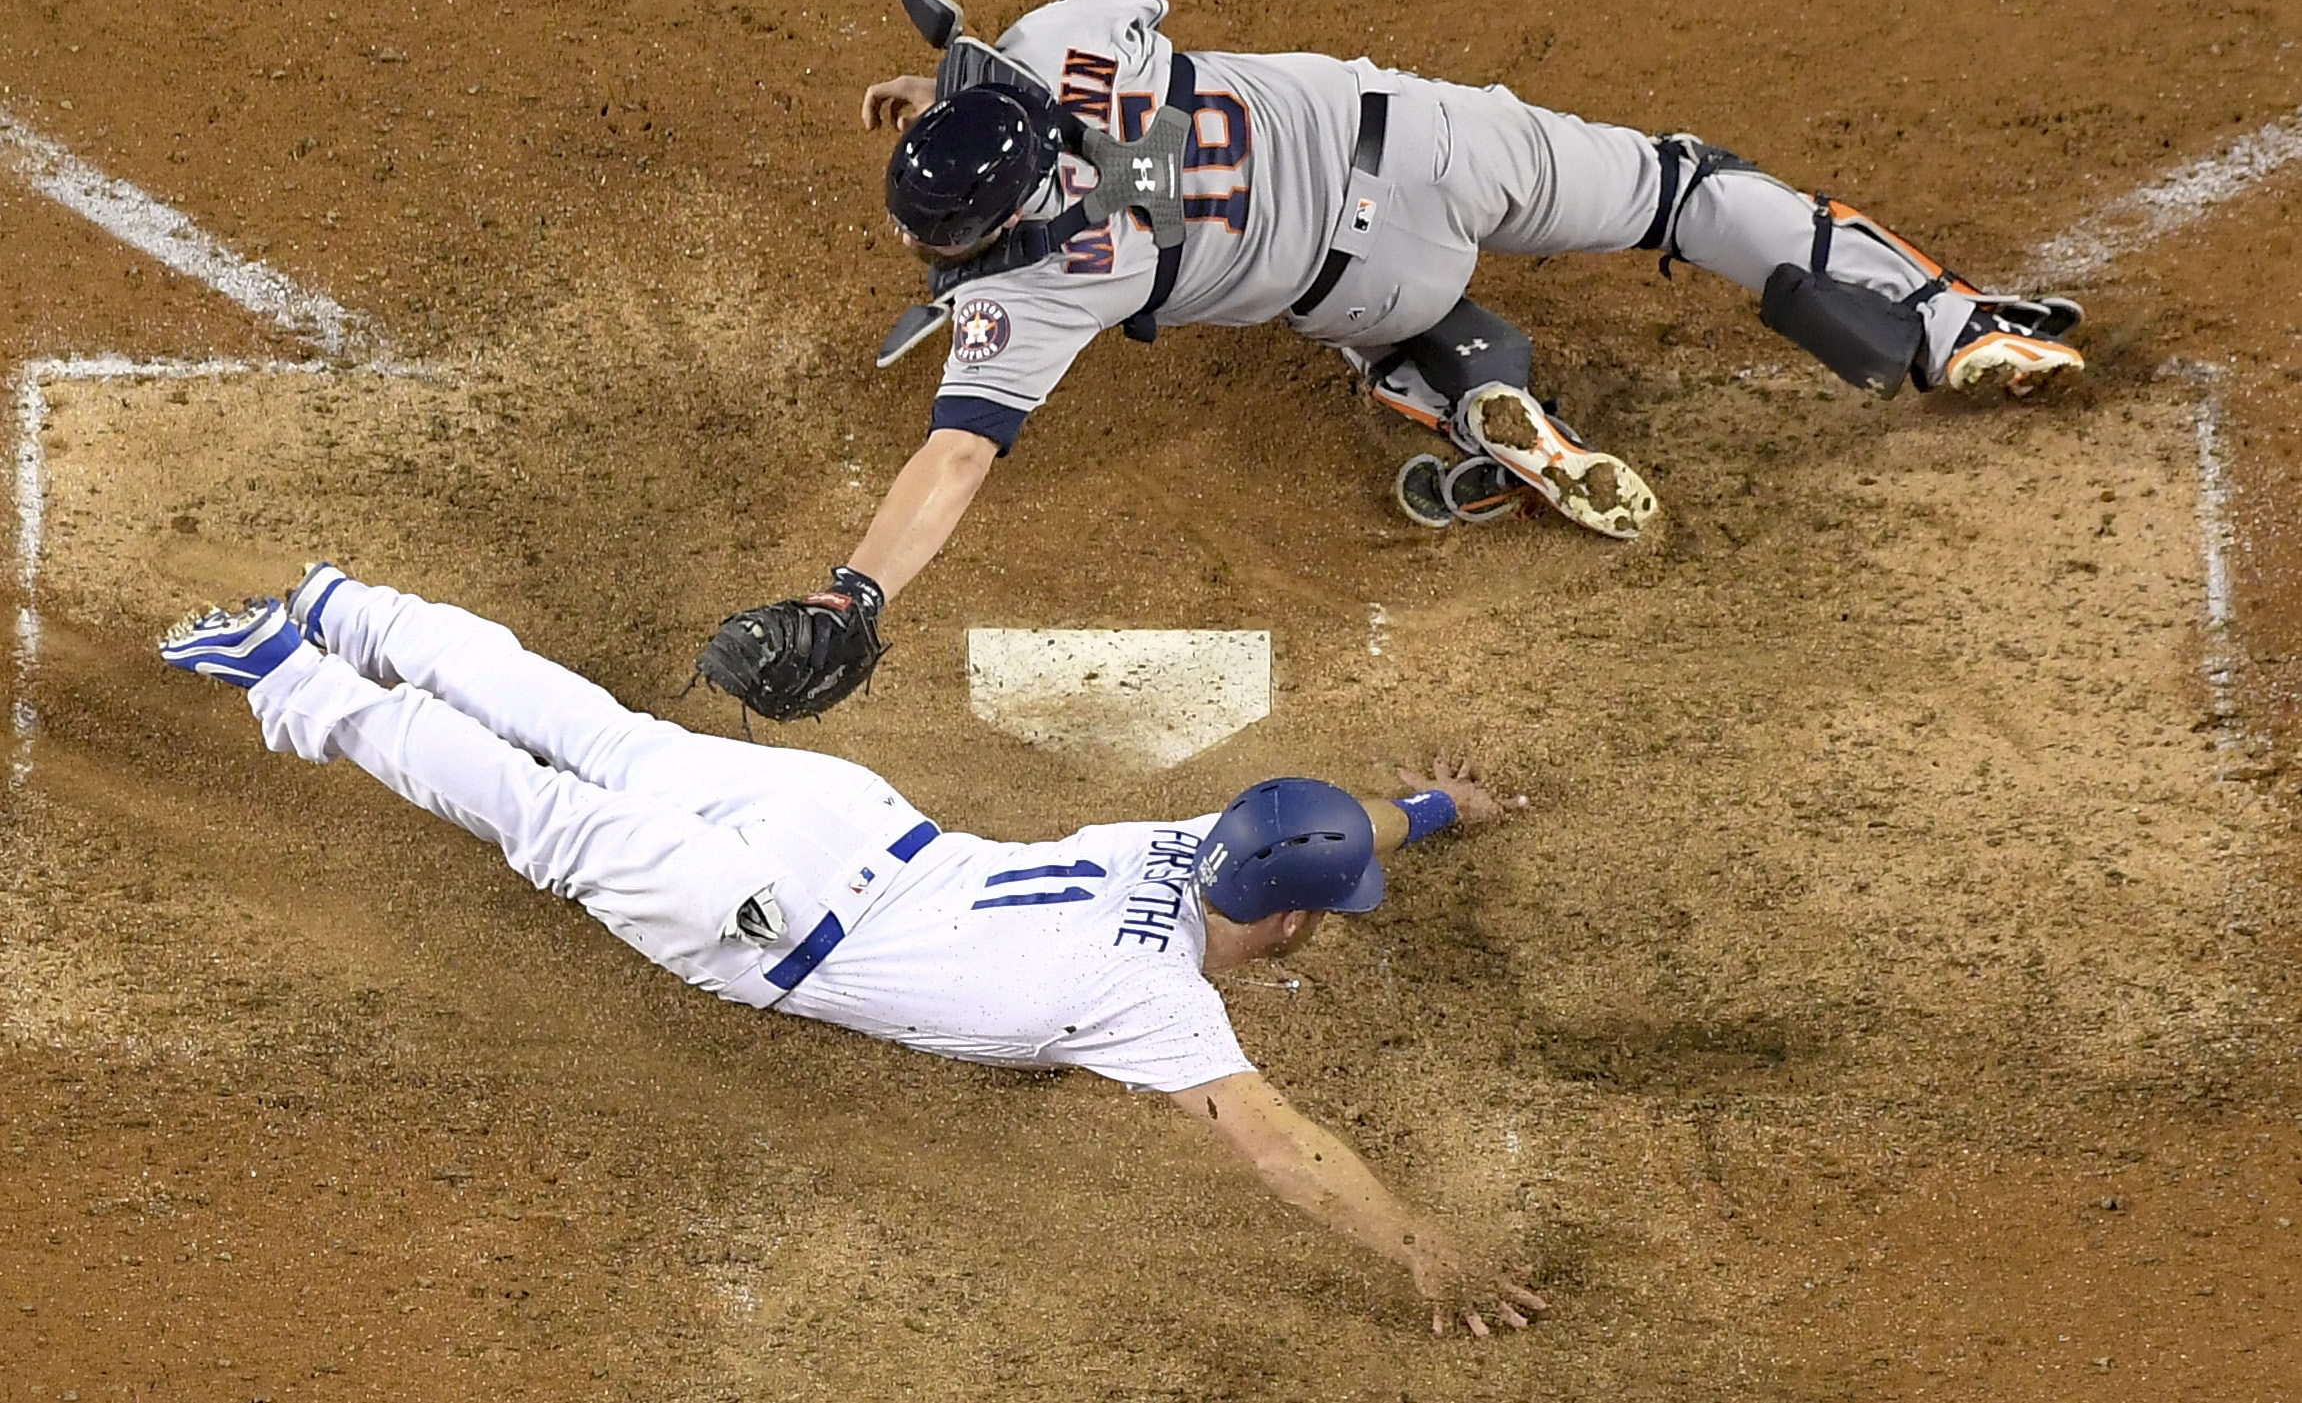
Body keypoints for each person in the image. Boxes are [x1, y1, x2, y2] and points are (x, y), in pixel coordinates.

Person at [160, 571, 1548, 1337]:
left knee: (595, 734)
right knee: (546, 814)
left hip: (832, 810)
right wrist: (1425, 1249)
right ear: (1296, 916)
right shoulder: (1152, 1005)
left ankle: (358, 610)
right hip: (762, 907)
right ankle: (290, 670)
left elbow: (1319, 818)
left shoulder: (1187, 838)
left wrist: (1436, 808)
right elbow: (1280, 1146)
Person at [694, 0, 2086, 724]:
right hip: (1431, 144)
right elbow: (1123, 5)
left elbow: (951, 458)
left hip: (1371, 281)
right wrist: (969, 74)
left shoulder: (1049, 287)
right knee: (1676, 185)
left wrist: (850, 598)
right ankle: (1948, 324)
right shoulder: (1066, 42)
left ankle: (1479, 394)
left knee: (1376, 339)